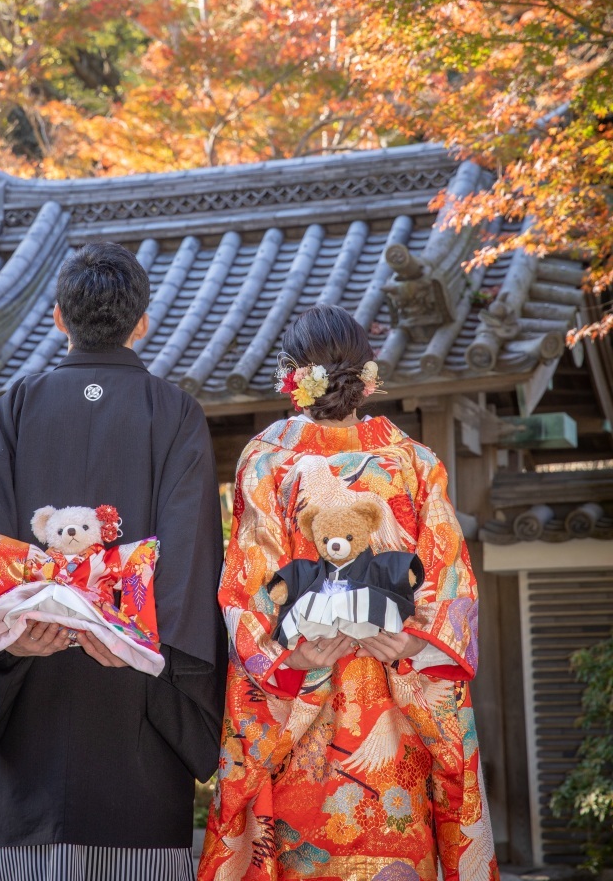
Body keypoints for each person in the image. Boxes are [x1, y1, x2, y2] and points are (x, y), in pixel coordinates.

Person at [0, 242, 226, 881]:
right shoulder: (174, 412)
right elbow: (190, 550)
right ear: (141, 323)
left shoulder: (15, 406)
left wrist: (6, 633)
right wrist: (136, 642)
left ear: (58, 319)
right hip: (137, 692)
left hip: (31, 671)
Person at [198, 304, 499, 881]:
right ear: (368, 376)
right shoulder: (413, 460)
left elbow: (249, 583)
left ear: (291, 375)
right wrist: (414, 644)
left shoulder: (266, 461)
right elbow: (449, 576)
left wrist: (292, 658)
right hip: (399, 694)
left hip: (302, 704)